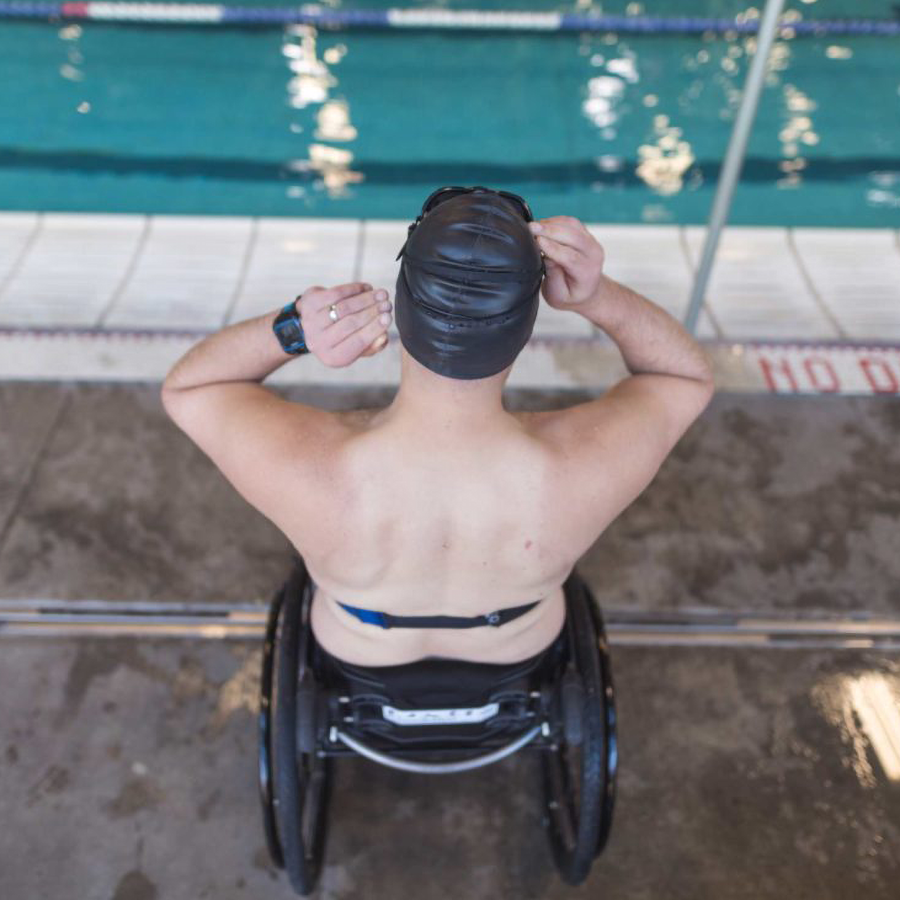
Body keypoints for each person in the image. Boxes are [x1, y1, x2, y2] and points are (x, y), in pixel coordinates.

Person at [161, 186, 713, 668]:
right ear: (525, 328)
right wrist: (598, 296)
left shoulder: (313, 470)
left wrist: (295, 329)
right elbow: (683, 376)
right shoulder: (579, 468)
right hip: (516, 651)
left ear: (401, 309)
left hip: (360, 652)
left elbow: (190, 388)